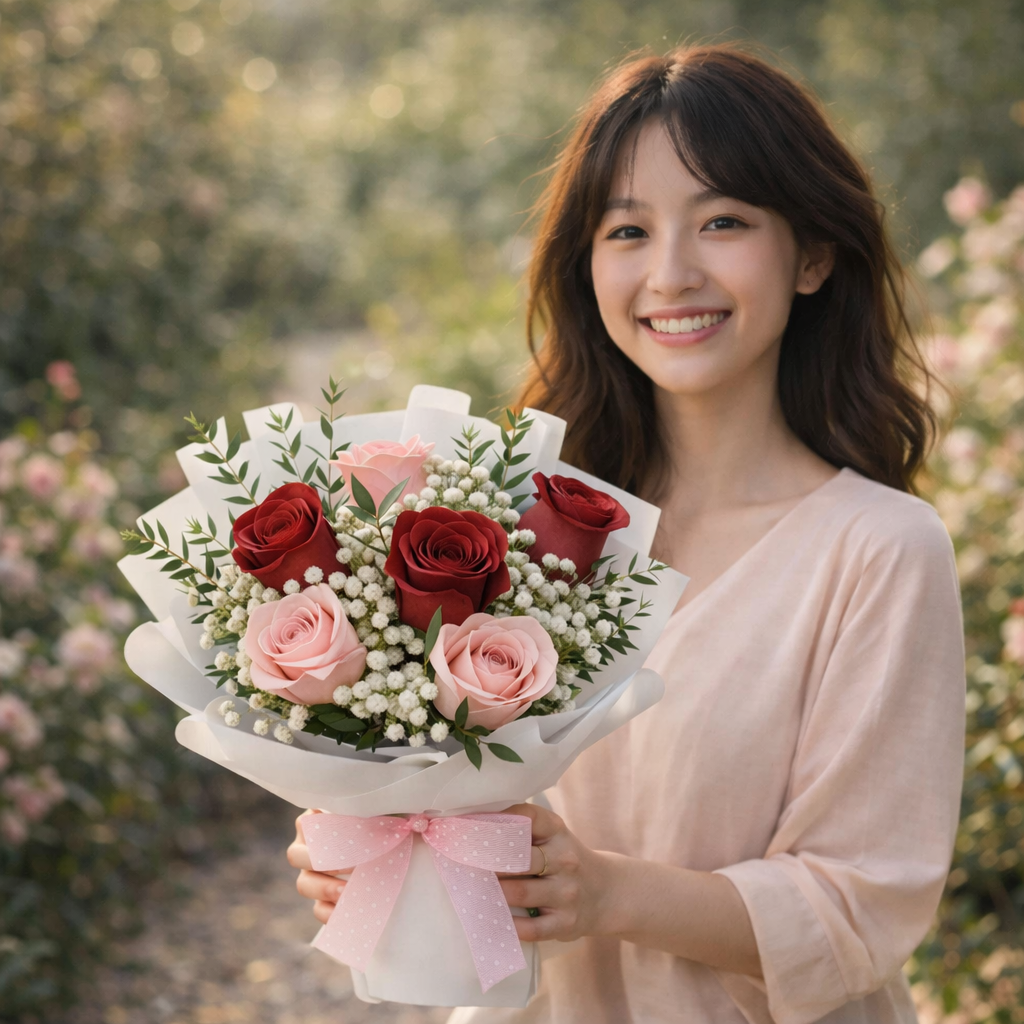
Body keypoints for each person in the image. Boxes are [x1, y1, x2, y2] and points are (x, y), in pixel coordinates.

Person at [287, 43, 965, 1023]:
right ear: (587, 264)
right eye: (627, 230)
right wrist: (367, 843)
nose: (672, 273)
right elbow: (440, 790)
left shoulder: (879, 550)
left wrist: (602, 890)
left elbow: (862, 898)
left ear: (812, 253)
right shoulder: (501, 527)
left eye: (723, 221)